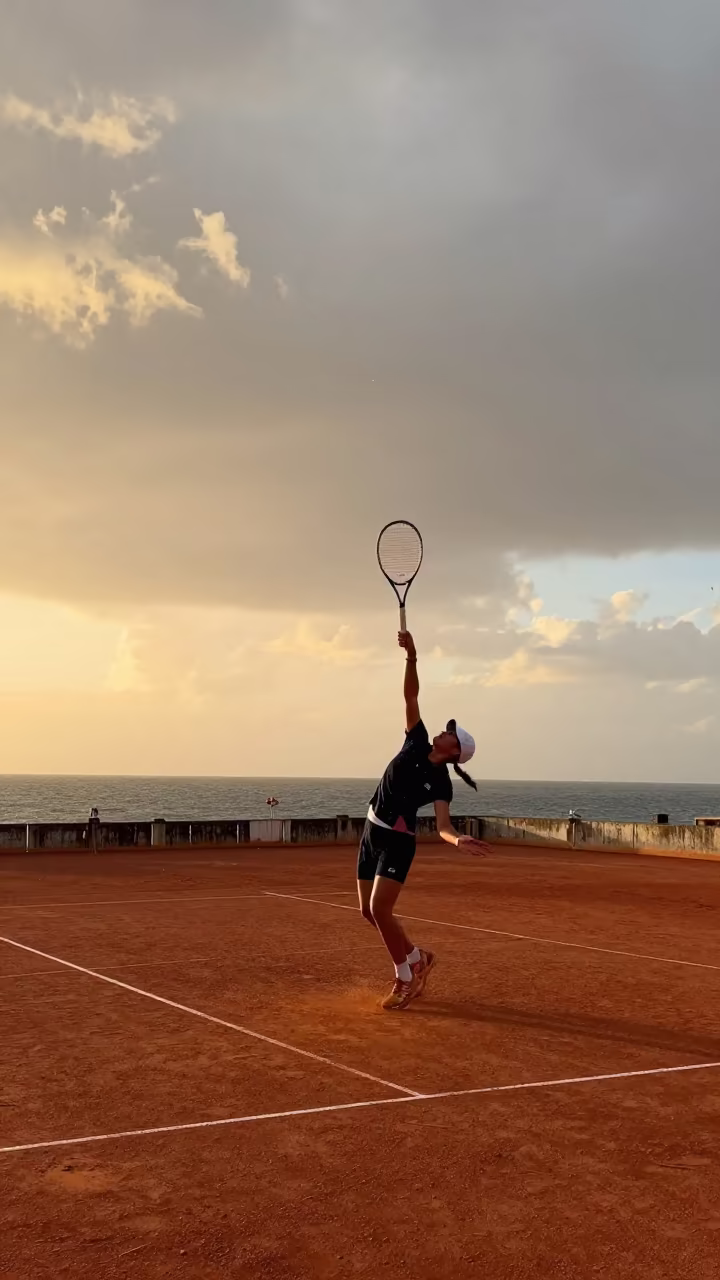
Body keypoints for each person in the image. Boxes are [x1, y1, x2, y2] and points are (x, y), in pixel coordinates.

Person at [358, 630, 493, 1011]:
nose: (444, 731)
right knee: (368, 912)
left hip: (398, 842)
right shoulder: (415, 739)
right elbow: (411, 696)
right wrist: (412, 657)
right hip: (371, 832)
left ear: (453, 751)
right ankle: (418, 958)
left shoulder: (441, 782)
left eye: (450, 733)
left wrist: (458, 841)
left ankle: (404, 977)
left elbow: (444, 827)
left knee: (381, 910)